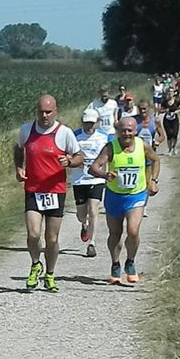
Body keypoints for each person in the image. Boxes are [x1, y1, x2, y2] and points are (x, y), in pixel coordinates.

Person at [14, 94, 83, 292]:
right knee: (33, 234)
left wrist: (69, 162)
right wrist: (19, 168)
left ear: (55, 111)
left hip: (55, 190)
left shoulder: (65, 133)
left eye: (48, 112)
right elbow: (18, 149)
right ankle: (36, 264)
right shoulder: (27, 130)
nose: (44, 116)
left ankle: (50, 274)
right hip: (34, 189)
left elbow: (80, 158)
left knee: (51, 238)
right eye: (41, 112)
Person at [89, 117, 160, 284]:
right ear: (117, 131)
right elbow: (93, 167)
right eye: (123, 130)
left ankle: (130, 261)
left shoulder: (142, 145)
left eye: (130, 130)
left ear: (135, 131)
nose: (126, 133)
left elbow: (156, 160)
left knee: (133, 230)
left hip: (136, 195)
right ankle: (115, 264)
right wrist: (105, 174)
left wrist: (153, 181)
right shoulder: (111, 147)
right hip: (114, 196)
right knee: (115, 233)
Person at [72, 108, 109, 257]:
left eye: (92, 123)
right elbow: (68, 153)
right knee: (81, 214)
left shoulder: (105, 137)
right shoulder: (75, 136)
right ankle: (84, 225)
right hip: (79, 180)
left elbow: (110, 155)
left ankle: (92, 243)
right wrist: (73, 161)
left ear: (97, 123)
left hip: (97, 178)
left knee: (94, 210)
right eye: (87, 123)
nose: (89, 126)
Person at [161, 88, 180, 156]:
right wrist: (165, 111)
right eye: (169, 92)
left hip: (175, 119)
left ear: (173, 93)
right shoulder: (165, 102)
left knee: (175, 134)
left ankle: (174, 148)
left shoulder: (177, 100)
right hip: (167, 119)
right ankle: (169, 149)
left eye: (171, 92)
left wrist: (177, 111)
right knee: (169, 135)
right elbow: (160, 110)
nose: (170, 93)